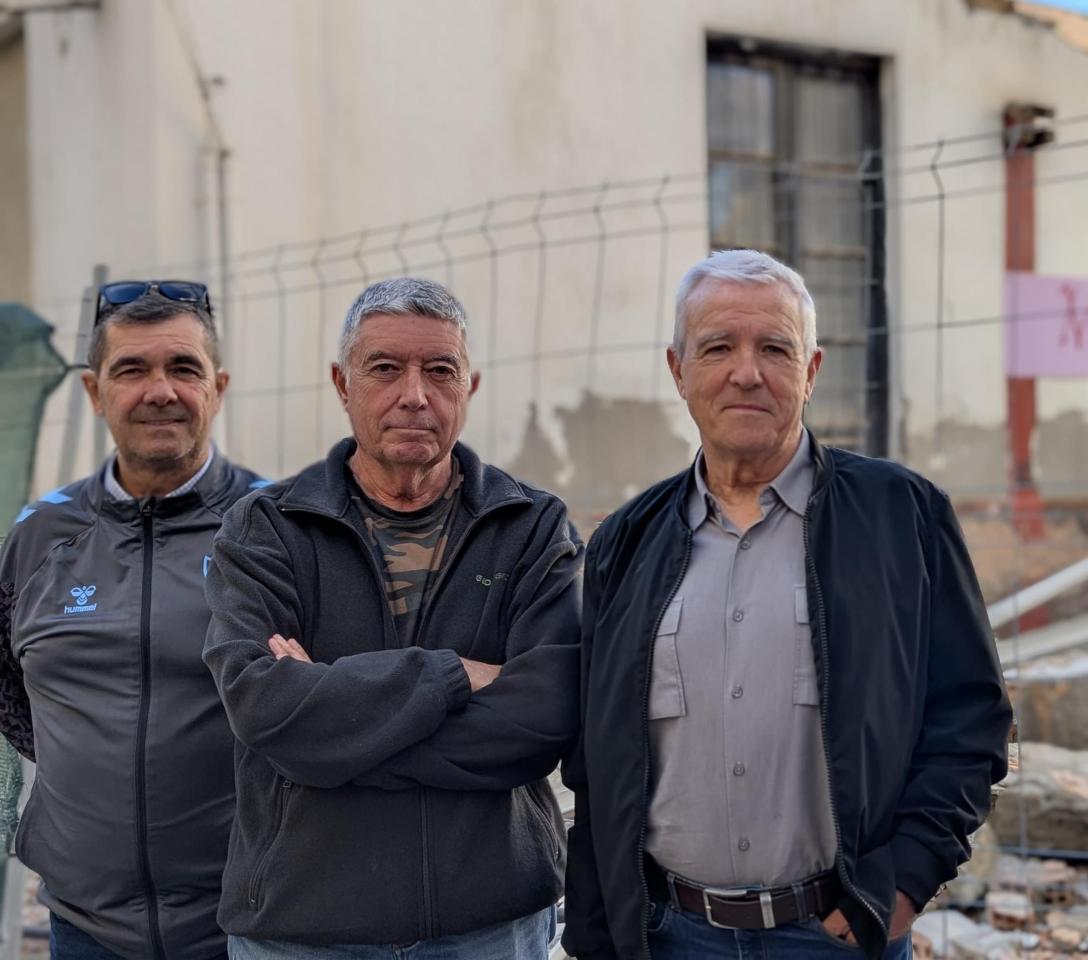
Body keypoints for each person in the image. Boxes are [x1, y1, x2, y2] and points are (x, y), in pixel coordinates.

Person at [563, 250, 1012, 960]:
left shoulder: (903, 516)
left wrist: (900, 886)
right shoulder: (626, 542)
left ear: (810, 371)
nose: (747, 372)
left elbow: (970, 717)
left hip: (836, 936)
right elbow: (597, 760)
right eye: (718, 348)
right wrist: (598, 934)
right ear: (678, 371)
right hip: (670, 935)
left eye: (775, 348)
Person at [202, 277, 580, 960]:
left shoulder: (530, 526)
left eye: (440, 371)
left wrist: (335, 731)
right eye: (384, 368)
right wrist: (453, 676)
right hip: (302, 928)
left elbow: (542, 717)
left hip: (488, 924)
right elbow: (263, 708)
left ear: (470, 386)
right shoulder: (266, 528)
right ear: (342, 384)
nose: (414, 394)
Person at [0, 281, 263, 959]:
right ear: (94, 392)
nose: (160, 390)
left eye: (183, 368)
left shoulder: (279, 528)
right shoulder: (39, 534)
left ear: (219, 386)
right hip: (84, 929)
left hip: (251, 924)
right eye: (131, 370)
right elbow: (12, 692)